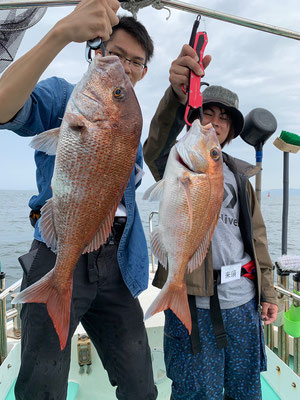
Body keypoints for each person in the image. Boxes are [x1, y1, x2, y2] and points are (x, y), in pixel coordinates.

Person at [0, 1, 158, 399]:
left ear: (143, 71)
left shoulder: (129, 121)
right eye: (116, 54)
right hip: (58, 250)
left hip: (117, 259)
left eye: (135, 62)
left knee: (141, 386)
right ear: (97, 51)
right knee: (42, 387)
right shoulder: (64, 99)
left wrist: (177, 96)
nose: (125, 65)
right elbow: (3, 106)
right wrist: (60, 32)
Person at [143, 44, 278, 400]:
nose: (214, 123)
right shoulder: (179, 160)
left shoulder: (239, 177)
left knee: (245, 388)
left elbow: (257, 240)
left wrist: (268, 291)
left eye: (223, 118)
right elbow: (155, 148)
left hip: (243, 303)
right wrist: (176, 98)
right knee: (195, 392)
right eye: (208, 113)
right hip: (193, 302)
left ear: (231, 129)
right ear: (193, 118)